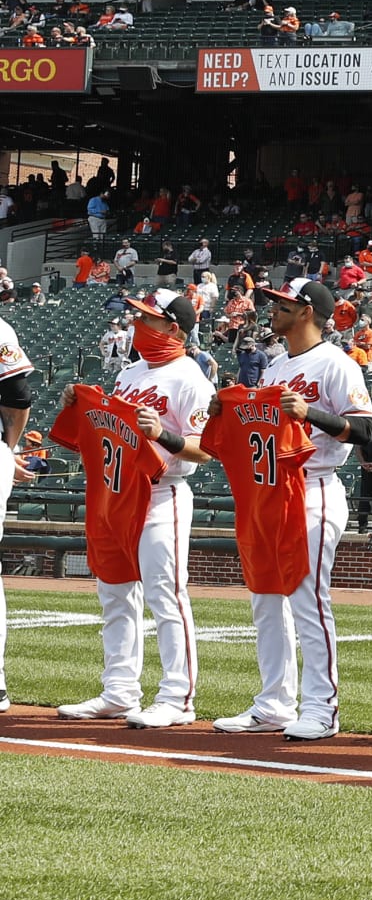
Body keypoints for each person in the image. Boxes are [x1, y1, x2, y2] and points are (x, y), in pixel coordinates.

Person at [209, 280, 372, 741]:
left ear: (306, 312)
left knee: (307, 599)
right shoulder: (276, 365)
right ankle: (274, 704)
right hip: (271, 491)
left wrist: (310, 414)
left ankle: (322, 708)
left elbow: (366, 432)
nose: (272, 308)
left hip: (315, 486)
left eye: (282, 303)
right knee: (266, 598)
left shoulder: (337, 364)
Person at [51, 289, 214, 727]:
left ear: (173, 327)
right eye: (137, 317)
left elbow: (205, 451)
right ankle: (119, 691)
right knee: (116, 593)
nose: (138, 325)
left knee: (167, 596)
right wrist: (78, 405)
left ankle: (178, 698)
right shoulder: (129, 374)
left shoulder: (191, 378)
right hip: (119, 492)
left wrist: (163, 435)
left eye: (148, 319)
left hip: (164, 494)